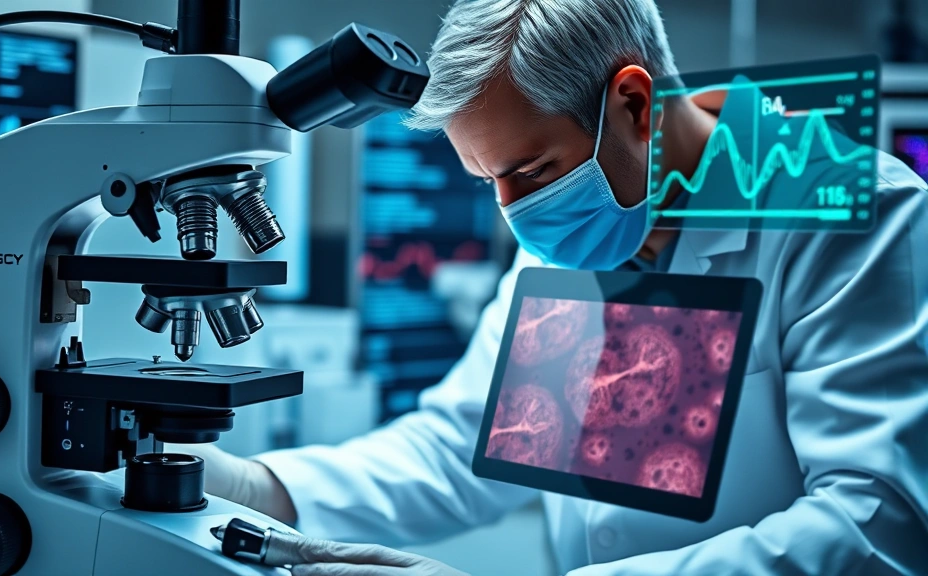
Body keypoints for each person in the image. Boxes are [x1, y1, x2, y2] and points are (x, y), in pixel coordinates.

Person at [182, 0, 928, 573]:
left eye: (533, 172)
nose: (515, 215)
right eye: (489, 181)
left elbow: (877, 521)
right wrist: (252, 485)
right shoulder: (582, 221)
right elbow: (462, 447)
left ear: (634, 105)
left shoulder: (850, 213)